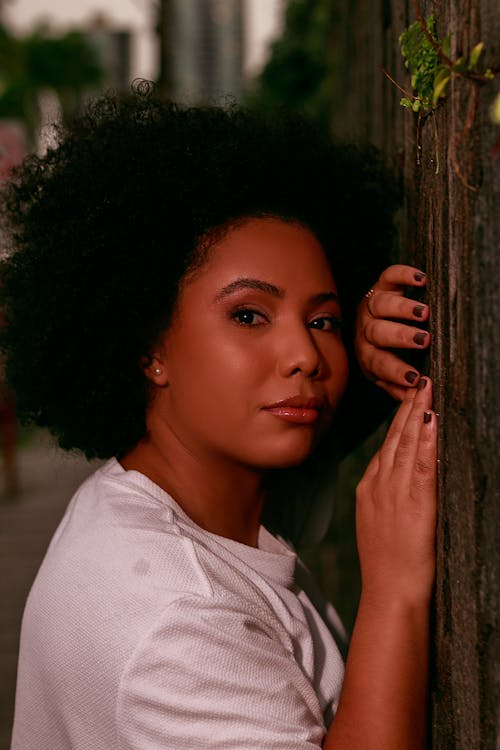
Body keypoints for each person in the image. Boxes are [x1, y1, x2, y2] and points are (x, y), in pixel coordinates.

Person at [1, 88, 436, 750]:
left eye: (323, 321)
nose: (304, 355)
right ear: (149, 347)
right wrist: (397, 591)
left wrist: (374, 350)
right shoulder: (174, 624)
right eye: (248, 316)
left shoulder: (192, 502)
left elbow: (319, 443)